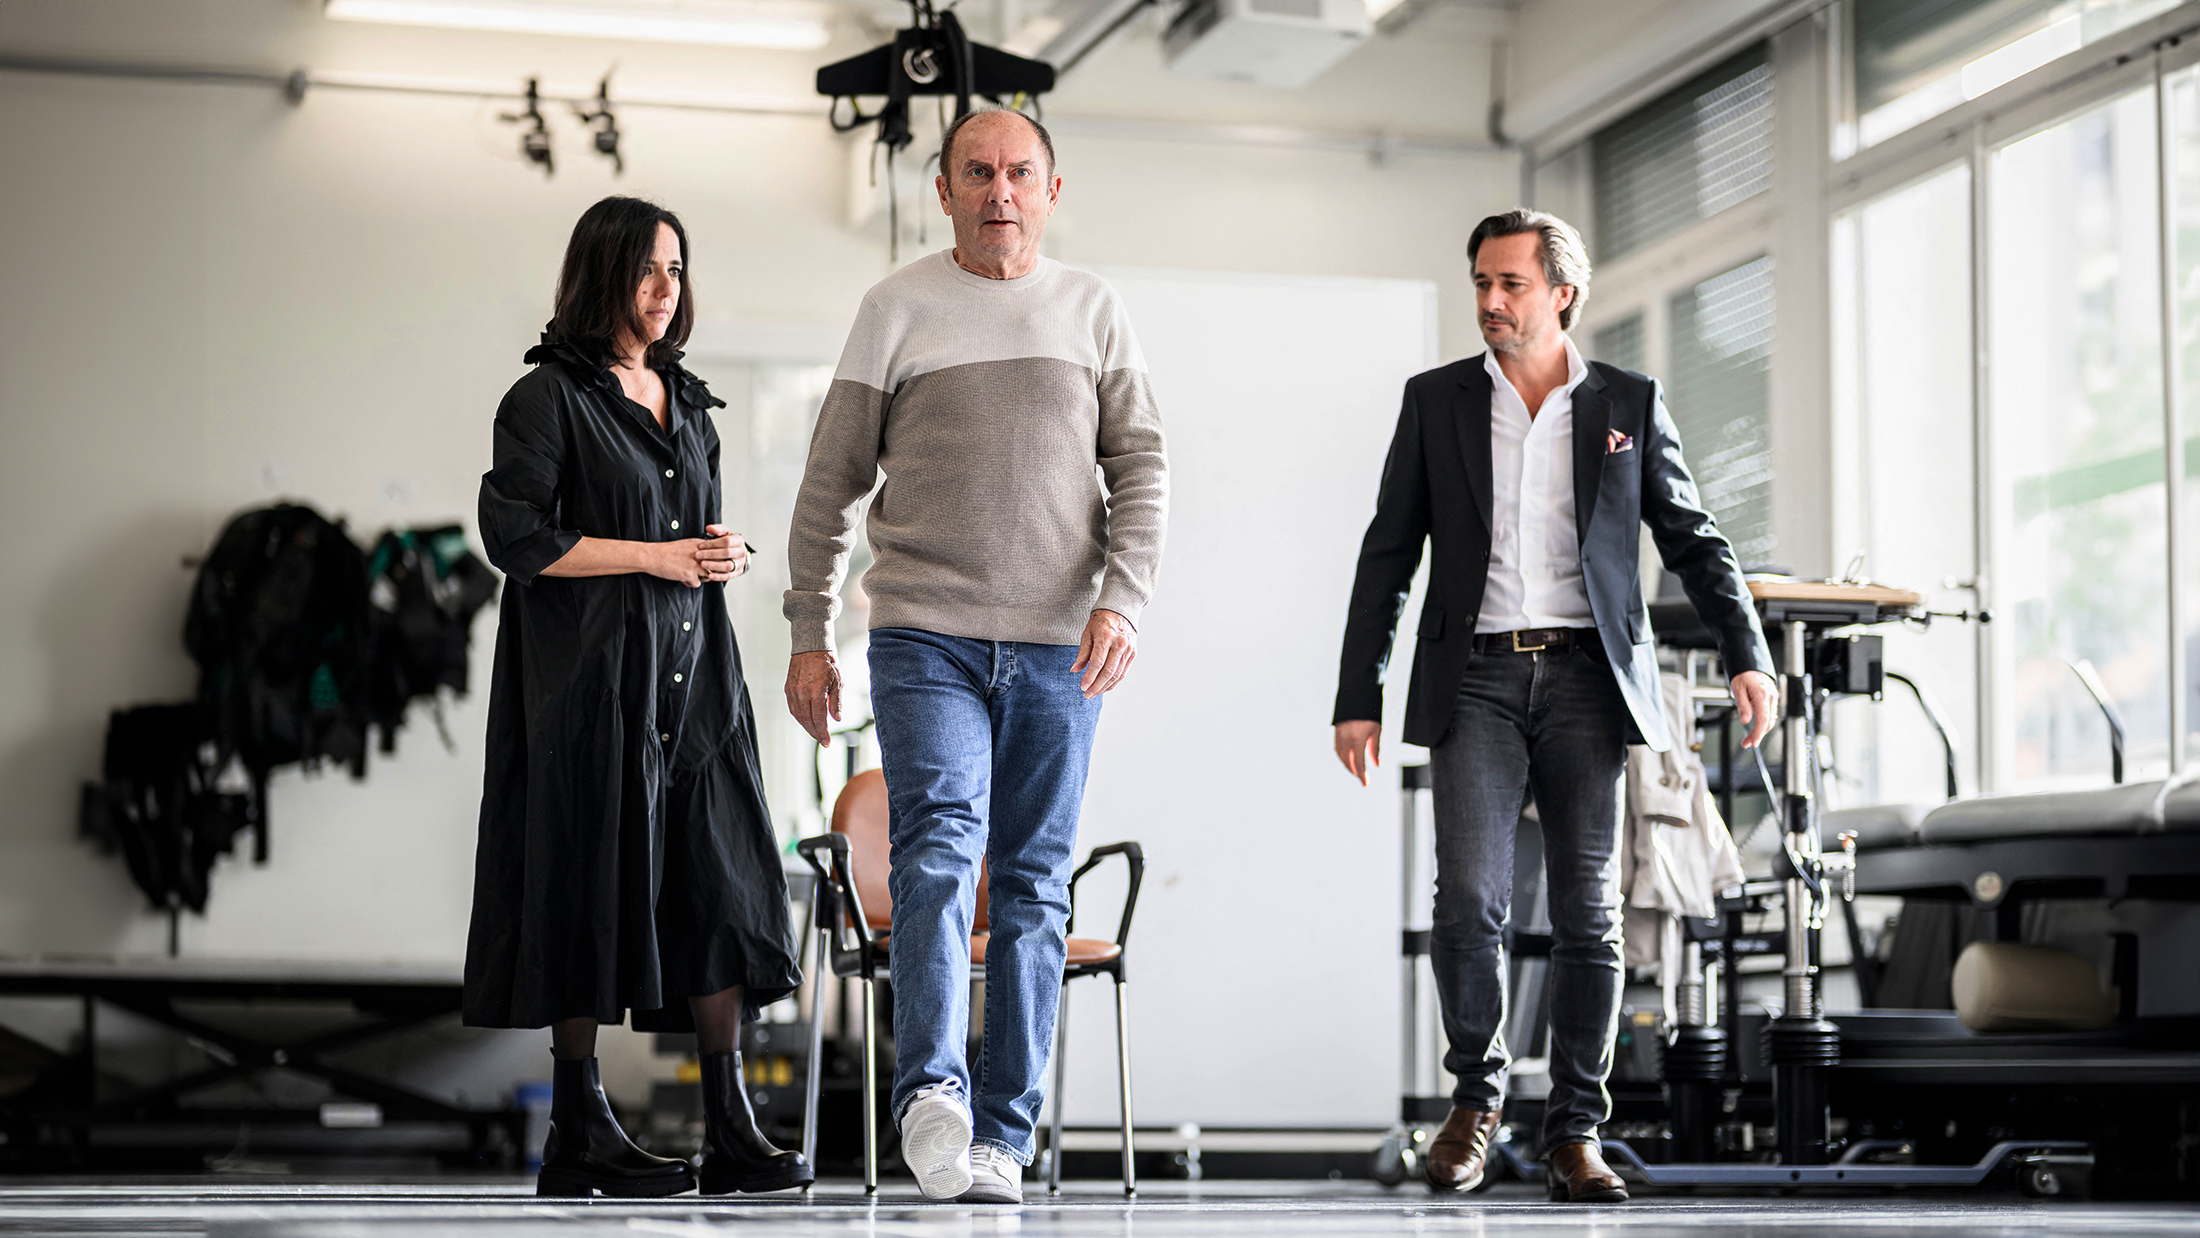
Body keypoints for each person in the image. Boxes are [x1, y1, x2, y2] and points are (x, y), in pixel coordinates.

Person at [1330, 209, 1776, 1204]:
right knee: (1469, 900)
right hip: (1476, 678)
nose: (1490, 302)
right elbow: (1387, 552)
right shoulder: (1437, 401)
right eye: (1480, 283)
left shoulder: (1626, 401)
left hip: (1585, 678)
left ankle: (1576, 1129)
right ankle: (1475, 1099)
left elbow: (1694, 537)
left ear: (1560, 292)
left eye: (1510, 285)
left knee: (1589, 911)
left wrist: (1747, 653)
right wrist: (1356, 691)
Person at [783, 108, 1167, 1204]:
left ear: (1052, 188)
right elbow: (828, 486)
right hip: (924, 632)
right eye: (977, 172)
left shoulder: (1092, 309)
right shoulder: (894, 308)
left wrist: (1125, 601)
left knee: (1036, 880)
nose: (999, 190)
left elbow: (1142, 465)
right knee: (941, 850)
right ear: (943, 189)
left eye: (1019, 172)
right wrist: (810, 630)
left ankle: (1005, 1132)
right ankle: (932, 1096)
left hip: (1061, 644)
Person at [466, 195, 813, 1199]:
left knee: (721, 884)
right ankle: (576, 1123)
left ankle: (732, 1119)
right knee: (580, 885)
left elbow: (681, 536)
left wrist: (715, 550)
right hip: (588, 688)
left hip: (695, 682)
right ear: (600, 274)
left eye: (677, 268)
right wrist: (657, 556)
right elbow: (518, 538)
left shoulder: (688, 399)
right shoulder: (544, 401)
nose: (665, 291)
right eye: (646, 270)